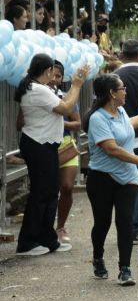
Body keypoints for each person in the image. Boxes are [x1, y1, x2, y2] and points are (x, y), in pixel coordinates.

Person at [84, 74, 138, 285]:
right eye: (122, 88)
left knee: (125, 222)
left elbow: (127, 125)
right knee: (102, 223)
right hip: (102, 179)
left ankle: (125, 268)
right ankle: (98, 258)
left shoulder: (120, 111)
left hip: (127, 178)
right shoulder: (97, 118)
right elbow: (112, 149)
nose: (125, 91)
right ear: (112, 93)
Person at [13, 55, 88, 256]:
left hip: (43, 144)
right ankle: (28, 242)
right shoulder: (36, 90)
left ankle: (47, 238)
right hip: (38, 145)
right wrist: (77, 85)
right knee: (41, 193)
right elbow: (65, 108)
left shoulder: (38, 88)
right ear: (47, 70)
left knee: (48, 192)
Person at [115, 39, 138, 245]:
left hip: (118, 137)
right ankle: (133, 228)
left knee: (122, 184)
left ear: (121, 55)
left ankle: (126, 227)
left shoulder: (114, 78)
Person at [49, 61, 81, 244]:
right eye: (51, 74)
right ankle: (45, 228)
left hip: (67, 147)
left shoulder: (67, 97)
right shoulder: (37, 95)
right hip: (46, 149)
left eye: (58, 76)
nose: (54, 79)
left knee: (67, 187)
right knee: (48, 190)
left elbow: (77, 124)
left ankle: (61, 227)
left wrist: (60, 121)